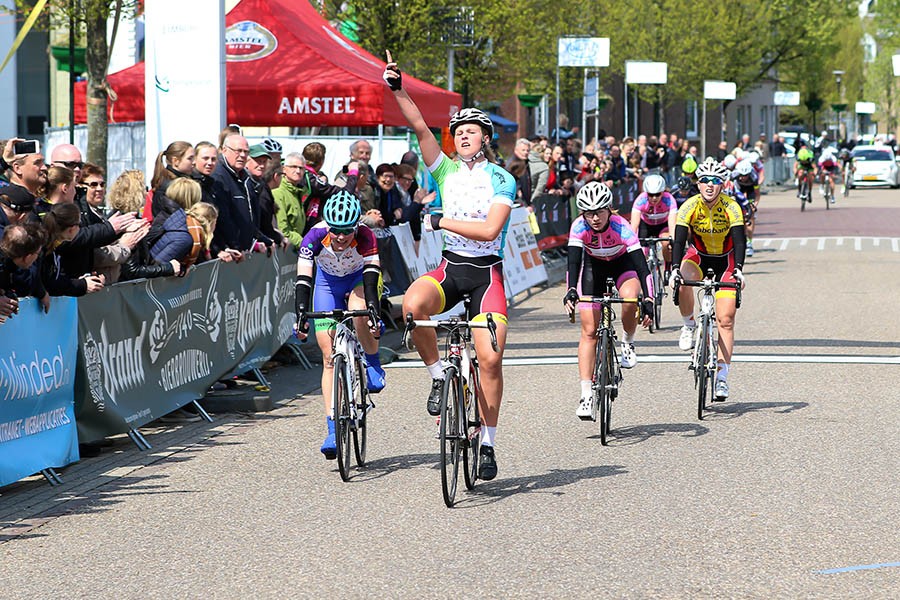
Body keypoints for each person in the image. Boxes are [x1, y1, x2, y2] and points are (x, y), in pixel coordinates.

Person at [384, 54, 514, 480]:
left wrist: (440, 219)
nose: (462, 137)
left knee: (490, 360)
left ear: (485, 138)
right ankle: (439, 376)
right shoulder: (444, 170)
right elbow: (420, 126)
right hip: (450, 268)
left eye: (471, 132)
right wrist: (397, 87)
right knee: (413, 305)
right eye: (458, 132)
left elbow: (491, 230)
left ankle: (489, 444)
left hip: (486, 275)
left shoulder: (501, 178)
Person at [293, 191, 385, 459]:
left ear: (356, 226)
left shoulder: (367, 236)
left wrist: (373, 312)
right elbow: (303, 279)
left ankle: (373, 363)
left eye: (346, 231)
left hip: (359, 279)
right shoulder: (314, 236)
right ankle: (333, 429)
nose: (341, 237)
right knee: (328, 355)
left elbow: (371, 277)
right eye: (336, 230)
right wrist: (300, 314)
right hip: (327, 283)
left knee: (359, 311)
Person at [563, 182, 653, 418]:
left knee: (630, 299)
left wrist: (650, 299)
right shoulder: (579, 227)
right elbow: (573, 262)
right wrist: (571, 289)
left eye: (599, 212)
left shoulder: (621, 227)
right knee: (589, 331)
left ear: (609, 209)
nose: (594, 218)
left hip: (623, 265)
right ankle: (586, 395)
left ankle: (628, 341)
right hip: (594, 268)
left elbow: (642, 268)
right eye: (589, 213)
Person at [669, 158, 746, 400]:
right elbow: (679, 241)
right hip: (699, 257)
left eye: (715, 181)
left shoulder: (732, 207)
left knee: (726, 319)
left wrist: (740, 269)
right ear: (698, 184)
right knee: (682, 279)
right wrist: (672, 269)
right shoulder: (689, 206)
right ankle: (688, 325)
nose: (709, 185)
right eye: (704, 181)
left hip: (726, 260)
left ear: (723, 184)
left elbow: (741, 241)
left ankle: (722, 376)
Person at [629, 173, 677, 271]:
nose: (654, 198)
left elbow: (672, 225)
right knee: (642, 251)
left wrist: (673, 241)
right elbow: (634, 226)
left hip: (663, 225)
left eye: (657, 194)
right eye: (650, 195)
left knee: (666, 242)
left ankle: (667, 267)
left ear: (663, 192)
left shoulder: (669, 200)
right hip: (646, 225)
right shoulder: (640, 200)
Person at [731, 160, 759, 257]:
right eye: (742, 175)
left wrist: (754, 205)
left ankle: (749, 243)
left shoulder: (754, 177)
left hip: (750, 191)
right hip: (737, 191)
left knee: (751, 215)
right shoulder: (733, 175)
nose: (743, 177)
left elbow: (757, 194)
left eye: (746, 175)